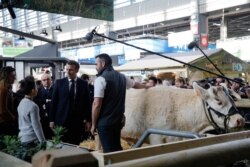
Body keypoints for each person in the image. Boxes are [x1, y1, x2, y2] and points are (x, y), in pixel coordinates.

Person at [90, 53, 150, 153]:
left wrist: (93, 124)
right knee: (116, 149)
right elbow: (135, 85)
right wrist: (147, 87)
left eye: (96, 64)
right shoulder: (122, 77)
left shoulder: (100, 79)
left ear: (103, 63)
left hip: (105, 122)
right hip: (118, 122)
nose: (95, 67)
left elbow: (97, 103)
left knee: (110, 152)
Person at [50, 60, 91, 145]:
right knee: (61, 145)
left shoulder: (83, 84)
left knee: (75, 145)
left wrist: (88, 120)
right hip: (61, 121)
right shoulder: (59, 83)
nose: (68, 72)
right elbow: (54, 102)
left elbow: (87, 103)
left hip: (77, 122)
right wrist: (51, 120)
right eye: (67, 69)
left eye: (71, 70)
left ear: (77, 70)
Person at [18, 76, 45, 147]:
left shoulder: (21, 103)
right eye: (36, 88)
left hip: (22, 138)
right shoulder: (33, 106)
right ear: (33, 90)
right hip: (32, 140)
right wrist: (43, 142)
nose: (37, 89)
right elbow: (37, 126)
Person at [0, 66, 19, 136]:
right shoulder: (2, 88)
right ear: (5, 76)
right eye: (12, 76)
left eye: (15, 75)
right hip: (4, 123)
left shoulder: (8, 87)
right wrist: (13, 118)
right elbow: (2, 110)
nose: (14, 78)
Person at [34, 73, 54, 139]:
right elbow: (37, 102)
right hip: (43, 118)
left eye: (48, 79)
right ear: (41, 81)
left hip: (53, 118)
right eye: (44, 80)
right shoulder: (38, 91)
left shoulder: (56, 89)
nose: (46, 81)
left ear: (51, 80)